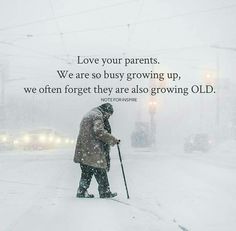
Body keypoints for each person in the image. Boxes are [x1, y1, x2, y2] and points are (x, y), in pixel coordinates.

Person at [73, 103, 120, 198]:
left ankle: (81, 191)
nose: (108, 117)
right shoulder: (98, 116)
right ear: (106, 111)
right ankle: (105, 192)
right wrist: (113, 140)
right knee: (100, 170)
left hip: (84, 148)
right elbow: (99, 132)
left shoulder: (90, 114)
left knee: (87, 170)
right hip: (93, 148)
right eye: (109, 115)